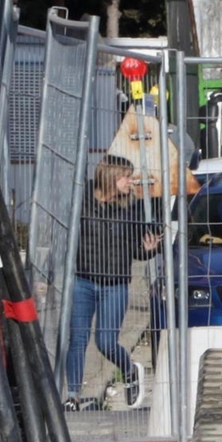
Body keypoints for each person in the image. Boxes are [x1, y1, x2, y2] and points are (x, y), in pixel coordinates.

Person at [66, 154, 161, 411]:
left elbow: (137, 250)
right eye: (127, 177)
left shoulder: (130, 208)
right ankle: (72, 395)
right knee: (77, 339)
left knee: (106, 342)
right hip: (83, 281)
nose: (131, 182)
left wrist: (150, 249)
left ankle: (129, 370)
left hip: (116, 284)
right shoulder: (82, 200)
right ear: (112, 177)